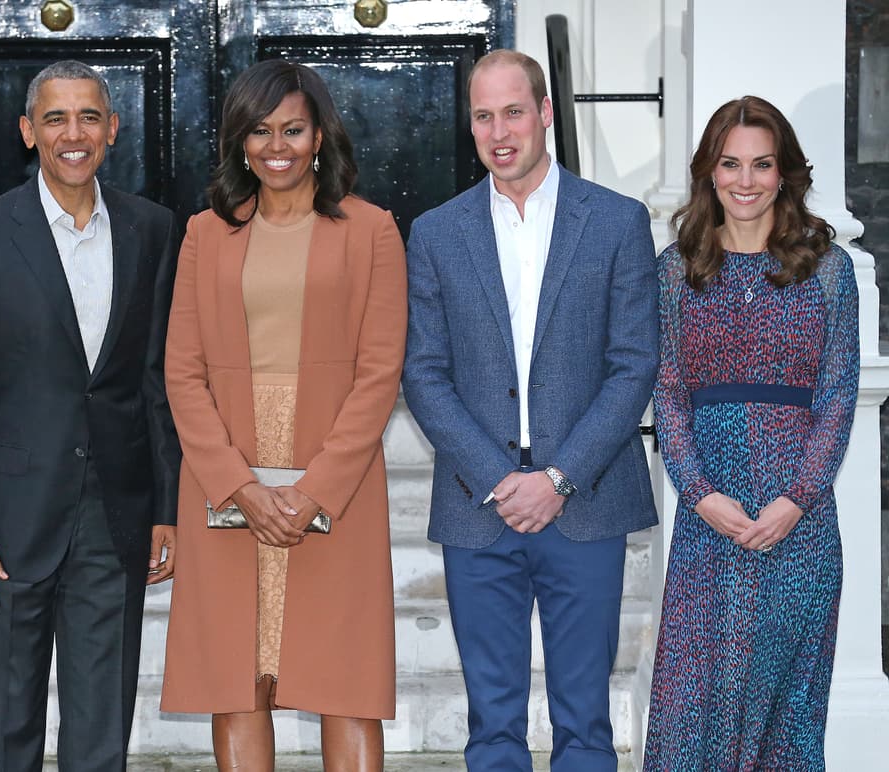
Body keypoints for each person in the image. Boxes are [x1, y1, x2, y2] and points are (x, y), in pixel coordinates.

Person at [401, 49, 659, 770]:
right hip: (477, 503)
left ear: (545, 113)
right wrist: (496, 477)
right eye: (483, 116)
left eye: (513, 112)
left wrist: (558, 477)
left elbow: (634, 364)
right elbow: (423, 372)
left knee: (585, 724)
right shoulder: (436, 231)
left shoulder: (616, 221)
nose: (499, 131)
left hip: (587, 500)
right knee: (491, 727)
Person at [0, 60, 181, 771]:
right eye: (56, 118)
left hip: (115, 513)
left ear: (113, 129)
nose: (74, 134)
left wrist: (167, 506)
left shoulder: (153, 229)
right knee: (5, 728)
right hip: (7, 518)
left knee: (102, 728)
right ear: (28, 131)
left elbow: (155, 379)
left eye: (89, 117)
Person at [159, 59, 406, 771]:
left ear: (319, 135)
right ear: (240, 141)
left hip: (337, 475)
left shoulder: (372, 230)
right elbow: (183, 371)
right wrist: (238, 486)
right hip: (227, 469)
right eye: (260, 130)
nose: (277, 146)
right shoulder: (205, 233)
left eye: (293, 130)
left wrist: (315, 490)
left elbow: (379, 373)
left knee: (346, 680)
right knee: (236, 680)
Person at [643, 96, 857, 770]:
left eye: (761, 164)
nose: (745, 180)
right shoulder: (676, 270)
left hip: (800, 525)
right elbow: (668, 392)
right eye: (730, 164)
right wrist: (700, 494)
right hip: (709, 521)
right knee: (694, 706)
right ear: (709, 172)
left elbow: (838, 395)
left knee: (784, 715)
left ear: (784, 172)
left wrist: (797, 500)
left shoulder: (827, 269)